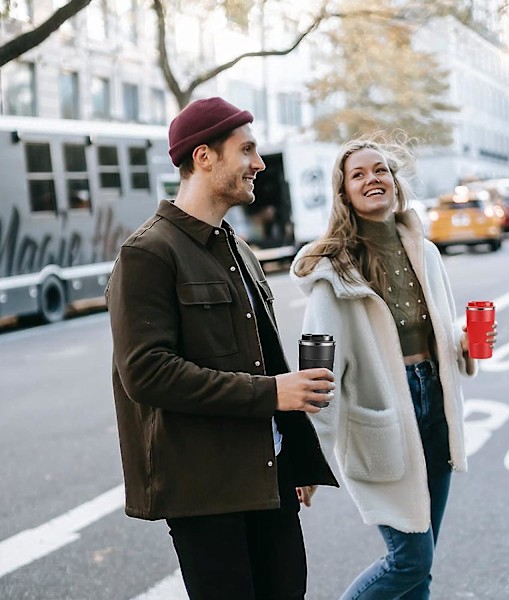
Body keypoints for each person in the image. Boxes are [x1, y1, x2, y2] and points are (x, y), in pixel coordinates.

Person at [105, 96, 338, 600]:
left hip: (269, 480)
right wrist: (271, 394)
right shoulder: (147, 253)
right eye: (247, 150)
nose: (260, 164)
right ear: (204, 157)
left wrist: (294, 457)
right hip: (205, 492)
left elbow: (263, 359)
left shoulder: (238, 248)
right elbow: (145, 373)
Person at [290, 135, 497, 599]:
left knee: (421, 569)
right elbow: (316, 366)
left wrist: (464, 343)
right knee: (408, 561)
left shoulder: (428, 253)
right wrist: (308, 454)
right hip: (382, 416)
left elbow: (439, 333)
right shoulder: (334, 269)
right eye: (358, 174)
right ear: (344, 193)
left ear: (395, 181)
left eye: (379, 170)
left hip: (435, 406)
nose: (372, 179)